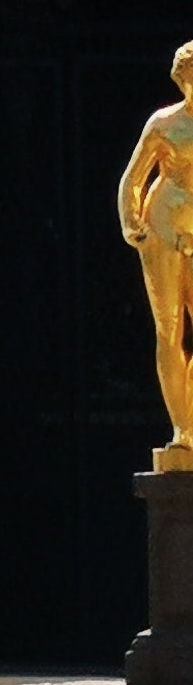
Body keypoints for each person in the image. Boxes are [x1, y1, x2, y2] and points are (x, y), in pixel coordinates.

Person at [116, 40, 193, 467]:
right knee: (169, 329)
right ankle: (183, 431)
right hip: (164, 229)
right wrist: (131, 222)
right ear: (182, 80)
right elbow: (133, 178)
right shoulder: (164, 124)